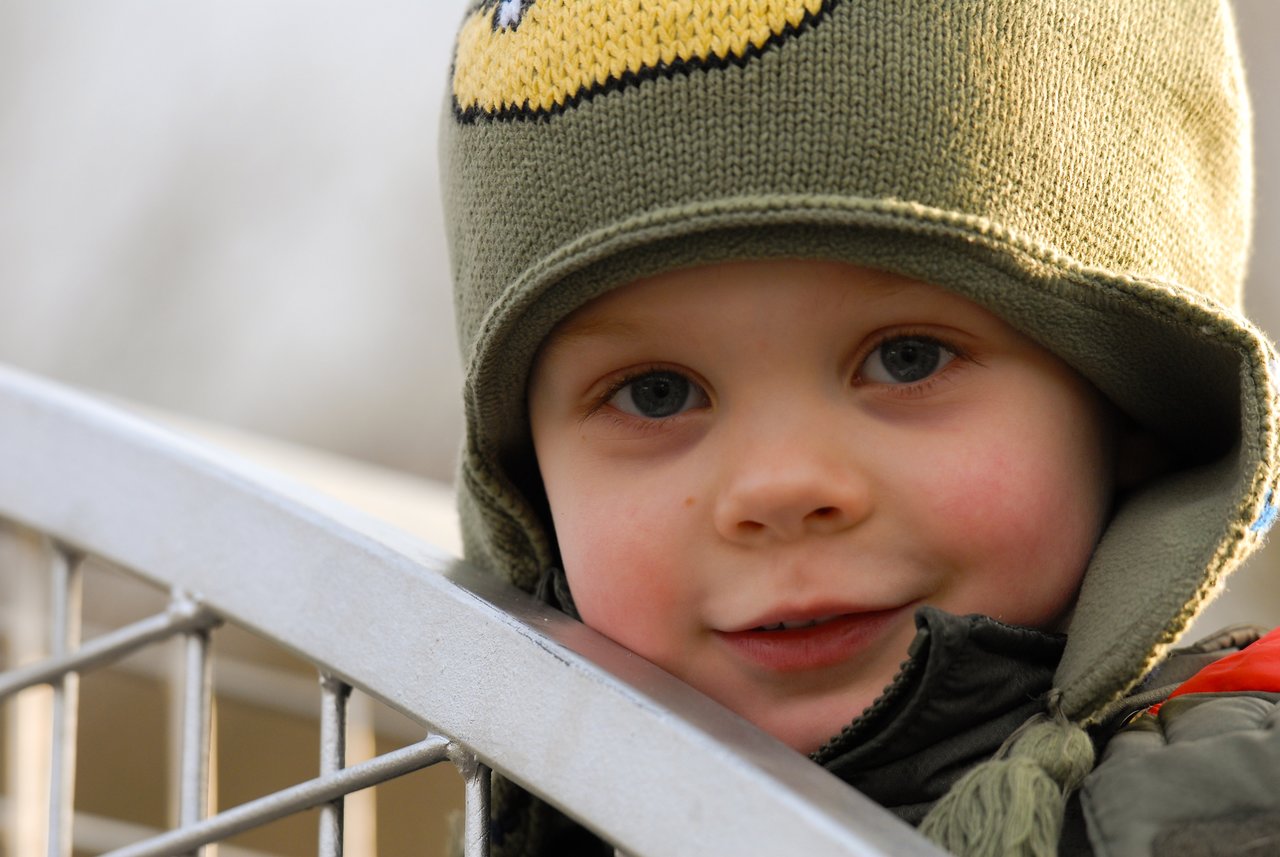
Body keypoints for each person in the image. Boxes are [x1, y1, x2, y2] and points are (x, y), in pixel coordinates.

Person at [440, 1, 1280, 854]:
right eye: (655, 393)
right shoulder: (523, 821)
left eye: (907, 359)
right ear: (527, 486)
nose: (781, 485)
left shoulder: (1227, 798)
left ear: (1132, 406)